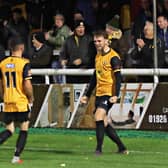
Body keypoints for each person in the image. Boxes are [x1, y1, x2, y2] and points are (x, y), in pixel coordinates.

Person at [80, 30, 128, 155]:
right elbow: (94, 77)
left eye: (99, 41)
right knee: (104, 122)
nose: (97, 43)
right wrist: (87, 94)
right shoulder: (98, 56)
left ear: (107, 41)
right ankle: (122, 147)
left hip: (109, 92)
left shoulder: (114, 58)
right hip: (99, 93)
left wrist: (115, 95)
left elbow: (118, 78)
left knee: (98, 116)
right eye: (95, 41)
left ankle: (98, 149)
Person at [0, 36, 34, 164]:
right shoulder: (24, 63)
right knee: (24, 128)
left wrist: (4, 97)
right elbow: (27, 84)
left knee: (9, 130)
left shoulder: (2, 64)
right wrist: (31, 98)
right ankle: (16, 157)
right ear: (22, 48)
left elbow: (1, 84)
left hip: (8, 101)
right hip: (20, 101)